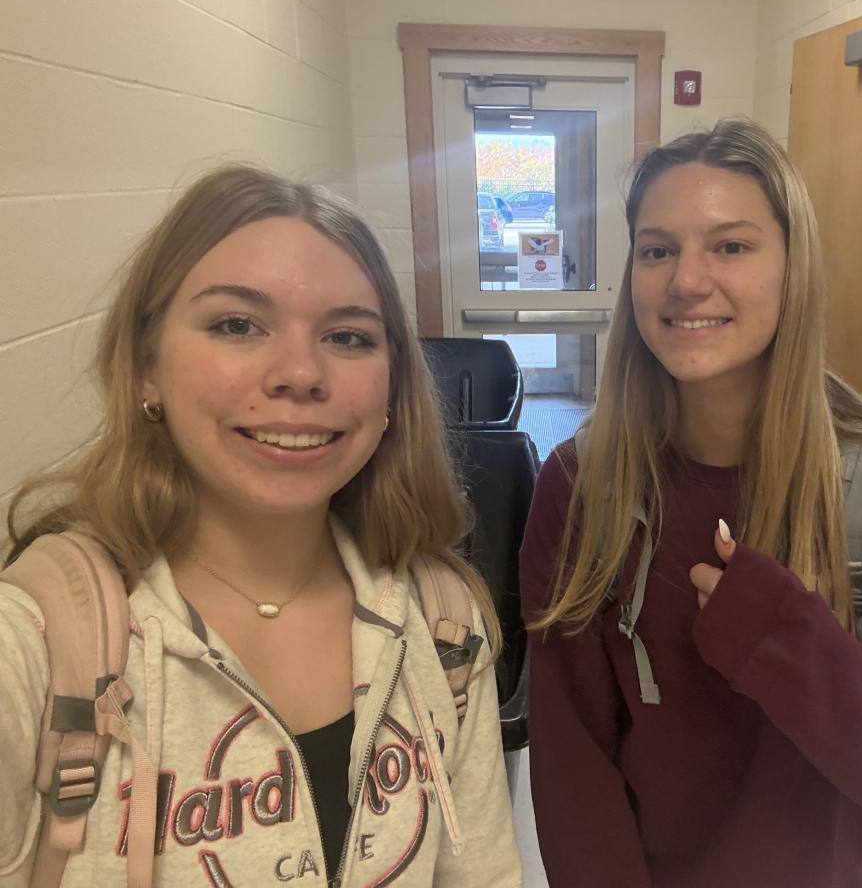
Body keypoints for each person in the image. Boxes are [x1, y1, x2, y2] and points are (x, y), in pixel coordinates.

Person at [0, 166, 521, 887]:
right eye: (237, 325)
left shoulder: (443, 622)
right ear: (147, 366)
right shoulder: (37, 643)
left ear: (393, 386)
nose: (300, 373)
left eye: (348, 336)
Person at [520, 118, 862, 887]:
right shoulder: (581, 487)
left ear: (792, 269)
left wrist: (781, 636)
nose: (687, 280)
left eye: (731, 246)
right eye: (657, 250)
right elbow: (573, 769)